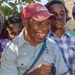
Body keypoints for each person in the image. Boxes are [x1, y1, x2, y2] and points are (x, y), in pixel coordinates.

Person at [0, 3, 68, 75]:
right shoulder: (11, 50)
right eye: (39, 24)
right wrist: (35, 73)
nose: (45, 28)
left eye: (48, 23)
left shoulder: (52, 45)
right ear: (25, 23)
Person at [45, 1, 75, 75]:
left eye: (62, 14)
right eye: (54, 14)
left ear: (66, 15)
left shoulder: (73, 40)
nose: (59, 17)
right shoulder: (43, 41)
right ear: (48, 18)